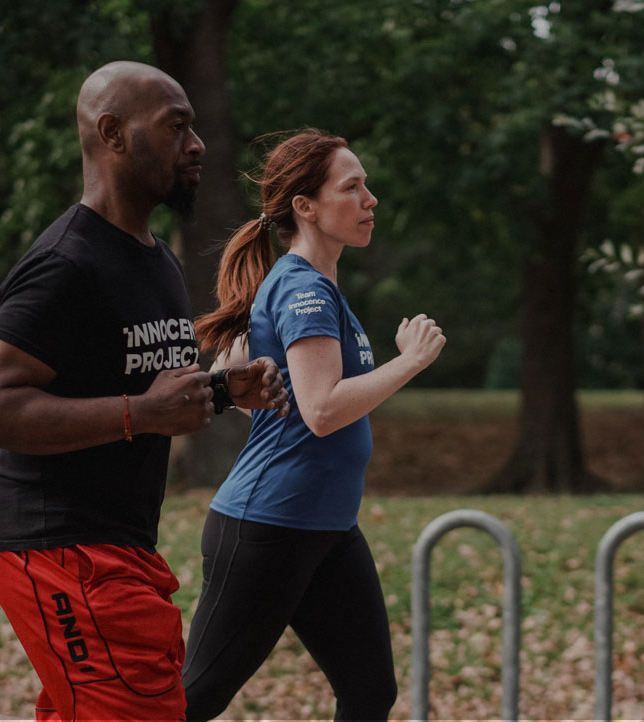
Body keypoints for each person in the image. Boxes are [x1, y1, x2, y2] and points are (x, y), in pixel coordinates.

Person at [0, 60, 289, 722]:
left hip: (121, 545)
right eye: (176, 127)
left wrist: (221, 391)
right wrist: (142, 412)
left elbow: (133, 387)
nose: (197, 144)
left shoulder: (157, 260)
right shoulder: (66, 263)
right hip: (59, 544)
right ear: (113, 134)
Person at [183, 130, 445, 721]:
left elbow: (240, 374)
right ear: (305, 206)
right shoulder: (304, 288)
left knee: (369, 692)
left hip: (326, 528)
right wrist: (410, 362)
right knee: (191, 702)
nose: (369, 199)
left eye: (366, 186)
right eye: (351, 187)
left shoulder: (309, 286)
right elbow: (322, 411)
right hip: (268, 527)